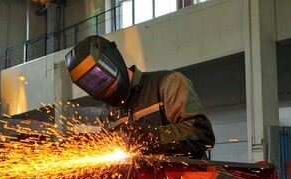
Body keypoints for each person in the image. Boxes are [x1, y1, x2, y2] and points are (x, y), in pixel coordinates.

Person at [64, 35, 215, 159]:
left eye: (101, 76)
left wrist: (146, 137)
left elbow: (202, 135)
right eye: (92, 83)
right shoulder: (108, 112)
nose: (102, 84)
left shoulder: (167, 83)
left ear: (113, 58)